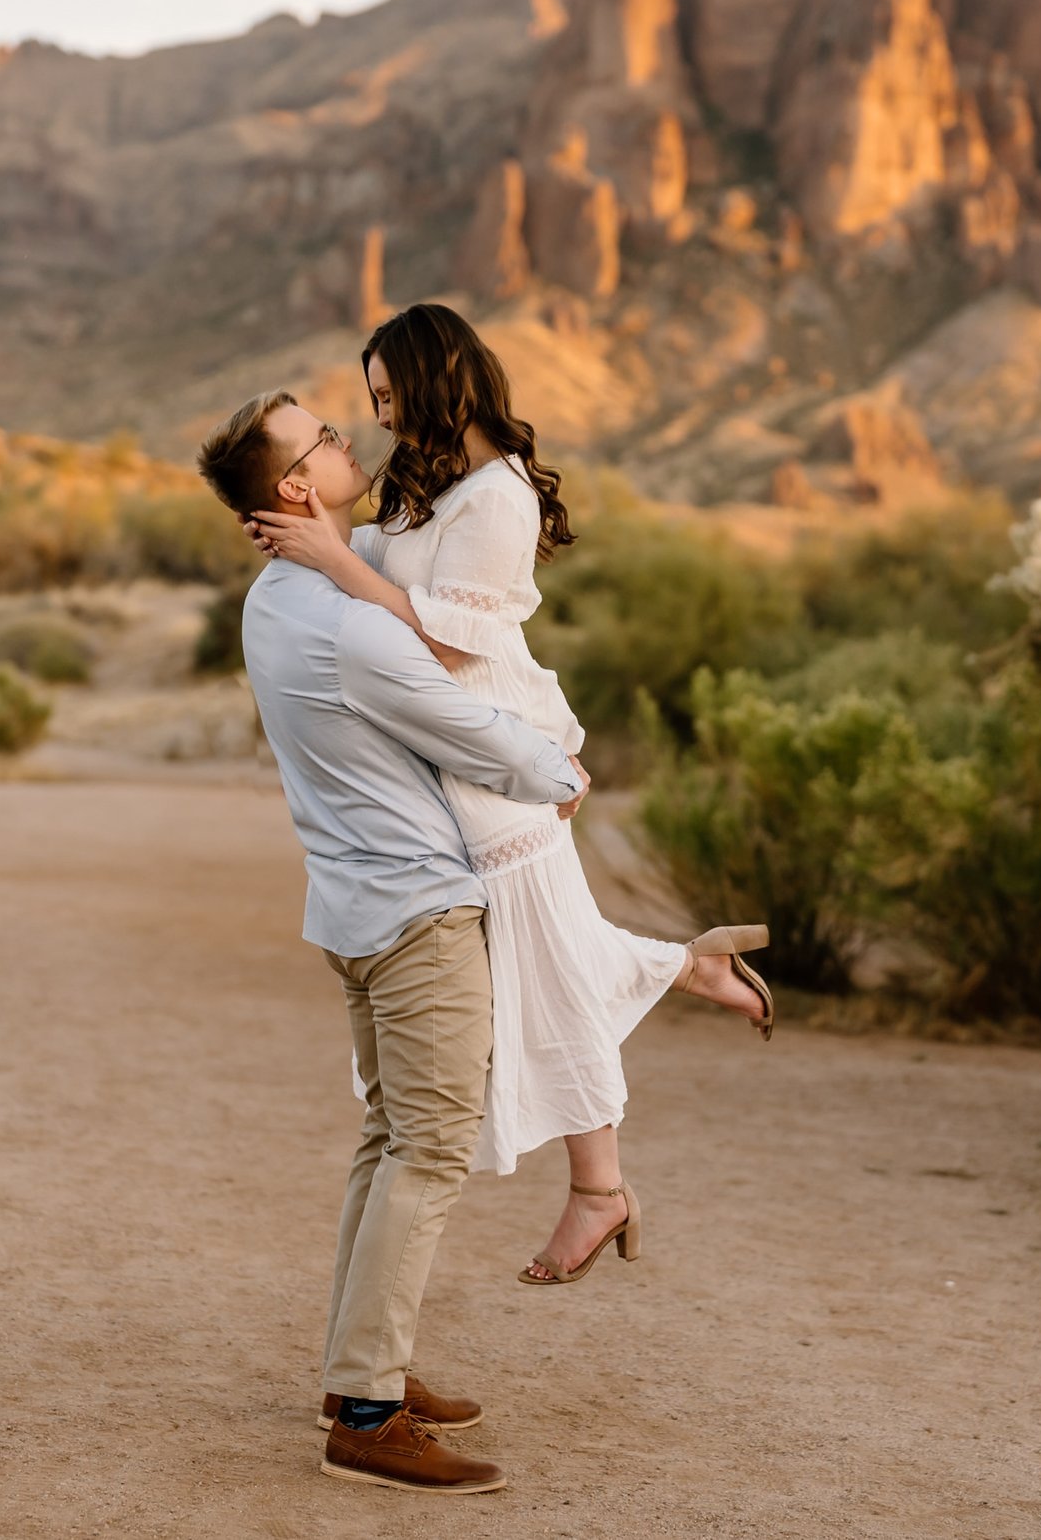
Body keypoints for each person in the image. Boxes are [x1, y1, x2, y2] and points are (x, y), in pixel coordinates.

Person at [248, 303, 773, 1289]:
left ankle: (600, 1182)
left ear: (438, 382)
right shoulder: (424, 486)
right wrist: (318, 541)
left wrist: (333, 560)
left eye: (393, 395)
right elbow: (380, 595)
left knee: (543, 961)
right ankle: (678, 986)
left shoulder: (497, 500)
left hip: (495, 763)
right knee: (546, 952)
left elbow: (447, 644)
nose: (384, 418)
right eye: (373, 402)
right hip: (446, 755)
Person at [199, 387, 578, 1496]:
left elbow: (384, 551)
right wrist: (555, 771)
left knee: (389, 1138)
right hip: (416, 912)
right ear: (293, 486)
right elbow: (457, 718)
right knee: (430, 1143)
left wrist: (343, 540)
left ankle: (360, 1371)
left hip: (355, 906)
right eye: (323, 436)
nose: (346, 436)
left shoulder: (277, 599)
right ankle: (367, 1416)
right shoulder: (348, 623)